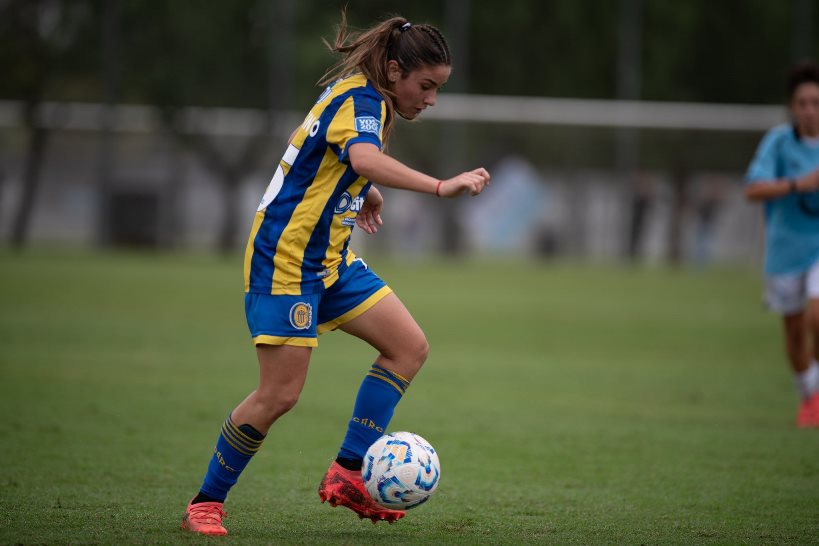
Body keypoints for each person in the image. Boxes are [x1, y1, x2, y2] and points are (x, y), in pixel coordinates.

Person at [180, 13, 490, 536]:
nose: (431, 99)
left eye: (438, 88)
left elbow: (317, 147)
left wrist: (359, 189)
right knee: (279, 395)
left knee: (408, 348)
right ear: (395, 70)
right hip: (286, 260)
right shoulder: (362, 101)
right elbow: (362, 157)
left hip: (330, 259)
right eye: (426, 86)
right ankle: (205, 504)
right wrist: (440, 186)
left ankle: (348, 472)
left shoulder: (366, 98)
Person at [745, 60, 819, 427]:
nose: (810, 110)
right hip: (786, 250)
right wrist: (798, 185)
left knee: (817, 316)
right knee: (793, 336)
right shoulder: (778, 142)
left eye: (816, 102)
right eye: (802, 103)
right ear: (792, 107)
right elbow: (752, 190)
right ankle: (810, 394)